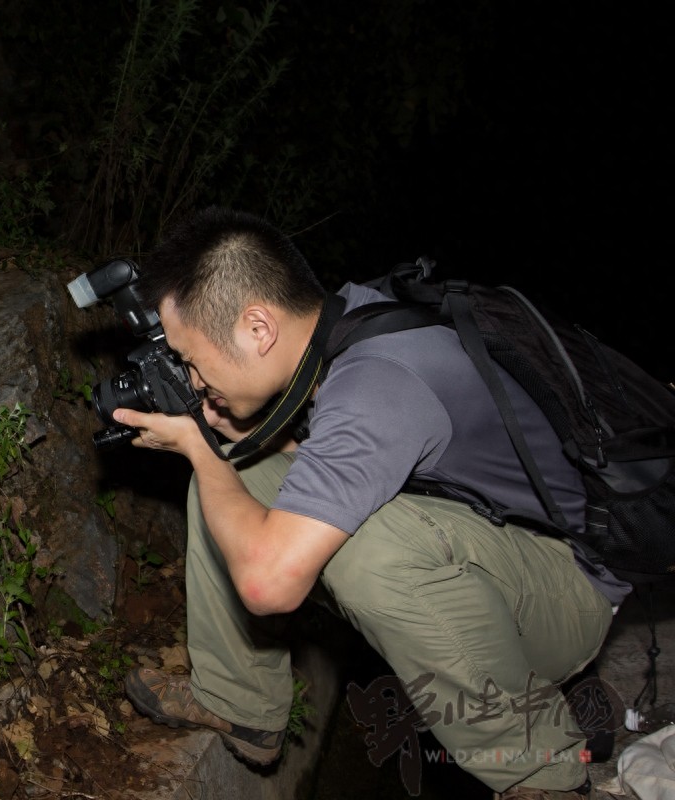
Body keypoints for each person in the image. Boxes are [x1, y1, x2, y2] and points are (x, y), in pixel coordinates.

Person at [116, 207, 629, 799]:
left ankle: (544, 775)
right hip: (491, 549)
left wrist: (199, 450)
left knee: (363, 549)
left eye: (190, 357)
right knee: (242, 475)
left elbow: (267, 584)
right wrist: (223, 449)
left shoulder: (378, 380)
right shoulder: (348, 321)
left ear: (258, 327)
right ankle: (243, 706)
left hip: (568, 596)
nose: (192, 379)